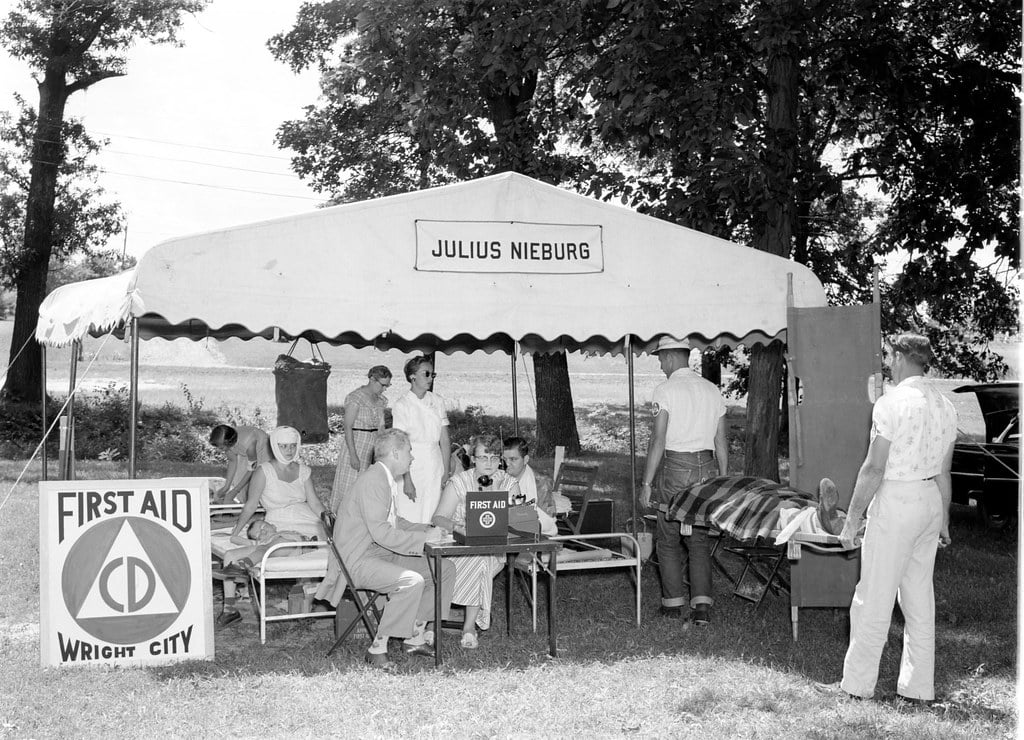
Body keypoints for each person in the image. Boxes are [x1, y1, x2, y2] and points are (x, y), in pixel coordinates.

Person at [821, 334, 957, 703]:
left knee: (873, 597)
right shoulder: (946, 405)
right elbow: (945, 473)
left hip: (897, 501)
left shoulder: (890, 403)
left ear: (899, 357)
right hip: (929, 499)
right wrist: (943, 519)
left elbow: (873, 468)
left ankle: (856, 687)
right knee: (918, 598)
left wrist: (851, 521)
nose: (886, 361)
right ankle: (918, 689)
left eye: (887, 355)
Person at [315, 428, 454, 669]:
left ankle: (415, 637)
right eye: (409, 452)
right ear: (395, 453)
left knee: (444, 569)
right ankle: (377, 647)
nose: (412, 457)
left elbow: (394, 522)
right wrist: (422, 540)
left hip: (377, 553)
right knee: (411, 581)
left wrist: (427, 528)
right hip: (357, 560)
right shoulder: (375, 481)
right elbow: (382, 533)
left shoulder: (383, 477)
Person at [640, 336, 728, 627]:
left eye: (661, 359)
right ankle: (702, 605)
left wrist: (647, 482)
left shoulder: (665, 389)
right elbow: (721, 441)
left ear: (670, 357)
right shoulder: (712, 390)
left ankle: (673, 603)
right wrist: (724, 479)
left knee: (667, 538)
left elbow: (658, 439)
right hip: (707, 468)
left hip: (677, 466)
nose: (661, 365)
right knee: (699, 539)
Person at [432, 434, 522, 648]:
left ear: (500, 459)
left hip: (493, 550)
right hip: (459, 546)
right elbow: (438, 518)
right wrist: (458, 527)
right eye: (483, 458)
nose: (489, 463)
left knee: (481, 558)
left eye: (494, 457)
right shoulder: (459, 482)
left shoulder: (510, 483)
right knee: (477, 561)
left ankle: (437, 624)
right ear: (473, 459)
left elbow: (519, 521)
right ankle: (468, 628)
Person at [230, 426, 325, 539]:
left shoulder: (304, 471)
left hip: (308, 517)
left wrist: (330, 520)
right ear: (275, 446)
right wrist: (236, 532)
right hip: (279, 522)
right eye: (283, 446)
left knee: (335, 537)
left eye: (293, 446)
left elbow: (315, 503)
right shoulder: (263, 471)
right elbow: (251, 505)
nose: (289, 450)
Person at [392, 355, 451, 523]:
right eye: (426, 374)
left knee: (433, 511)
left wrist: (446, 472)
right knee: (410, 512)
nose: (430, 378)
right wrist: (407, 480)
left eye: (433, 374)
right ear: (412, 376)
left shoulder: (437, 401)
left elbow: (444, 440)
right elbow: (400, 444)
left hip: (434, 464)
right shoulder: (401, 405)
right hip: (410, 464)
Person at [328, 365, 392, 514]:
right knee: (349, 486)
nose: (384, 389)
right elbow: (348, 427)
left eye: (387, 386)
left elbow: (381, 428)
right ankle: (340, 519)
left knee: (367, 487)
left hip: (373, 447)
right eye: (382, 385)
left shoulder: (381, 400)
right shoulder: (355, 398)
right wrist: (353, 455)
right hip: (357, 445)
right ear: (371, 379)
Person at [502, 436, 559, 532]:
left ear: (525, 460)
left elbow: (548, 520)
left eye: (513, 459)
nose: (507, 464)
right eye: (504, 459)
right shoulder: (497, 478)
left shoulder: (541, 482)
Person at [209, 424, 272, 504]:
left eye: (221, 448)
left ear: (229, 443)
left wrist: (235, 491)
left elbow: (251, 470)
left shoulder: (249, 444)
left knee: (259, 478)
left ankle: (260, 504)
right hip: (244, 449)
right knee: (240, 480)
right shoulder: (228, 441)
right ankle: (244, 503)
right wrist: (226, 487)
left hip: (263, 448)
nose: (218, 450)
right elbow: (232, 461)